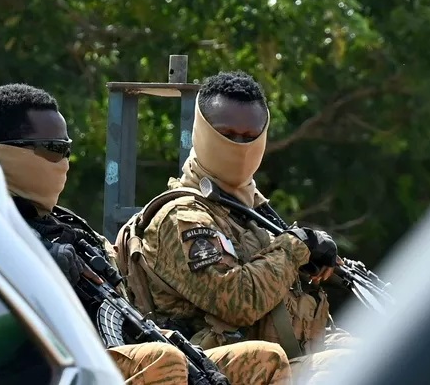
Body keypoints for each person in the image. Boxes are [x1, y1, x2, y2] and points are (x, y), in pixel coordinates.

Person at [0, 83, 292, 385]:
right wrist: (34, 268)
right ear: (5, 152)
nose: (64, 162)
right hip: (43, 366)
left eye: (66, 149)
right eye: (52, 149)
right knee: (162, 359)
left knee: (264, 359)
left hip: (111, 353)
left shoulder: (69, 228)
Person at [116, 71, 353, 384]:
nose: (239, 147)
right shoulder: (182, 216)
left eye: (249, 137)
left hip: (277, 361)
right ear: (202, 133)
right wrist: (295, 247)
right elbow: (239, 301)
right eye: (227, 135)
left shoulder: (252, 214)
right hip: (207, 370)